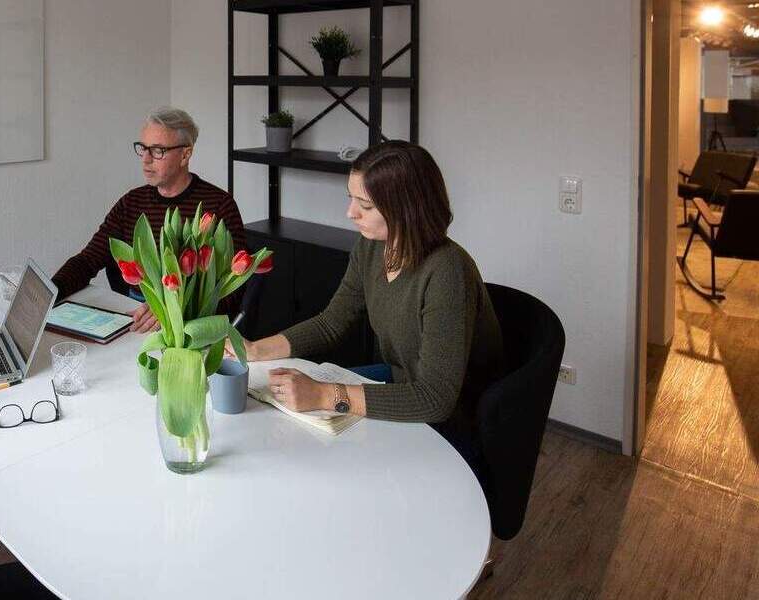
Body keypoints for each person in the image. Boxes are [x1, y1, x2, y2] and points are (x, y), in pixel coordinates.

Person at [229, 141, 504, 464]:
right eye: (352, 199)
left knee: (326, 445)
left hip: (456, 416)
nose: (350, 213)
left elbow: (436, 399)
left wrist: (322, 394)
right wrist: (255, 349)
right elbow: (332, 322)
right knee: (284, 418)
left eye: (366, 205)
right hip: (400, 379)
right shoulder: (373, 248)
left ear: (407, 208)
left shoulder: (447, 270)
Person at [51, 106, 248, 331]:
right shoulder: (131, 203)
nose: (145, 159)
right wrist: (49, 293)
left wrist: (171, 308)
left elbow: (233, 289)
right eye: (143, 148)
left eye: (157, 151)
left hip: (189, 328)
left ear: (185, 154)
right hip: (134, 322)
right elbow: (88, 260)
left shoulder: (219, 206)